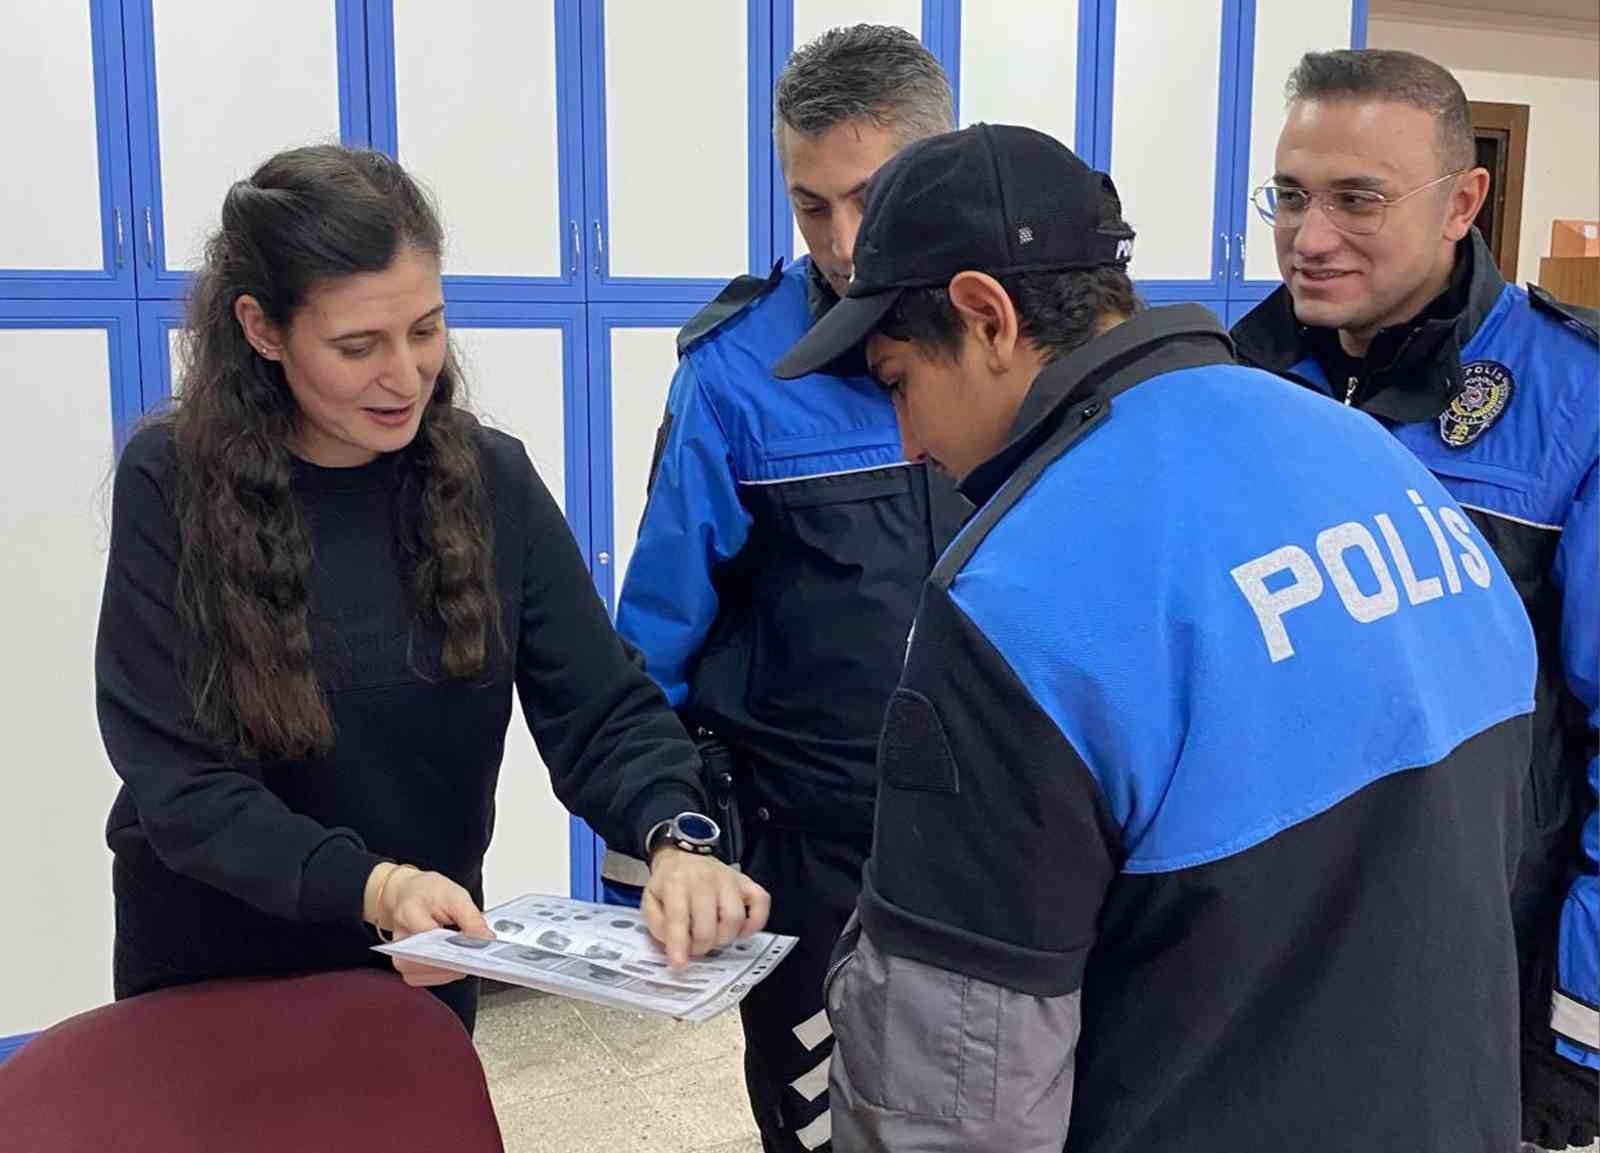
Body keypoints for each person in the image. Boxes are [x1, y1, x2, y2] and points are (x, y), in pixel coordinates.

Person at [775, 122, 1539, 1152]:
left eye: (899, 379)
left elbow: (955, 1100)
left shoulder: (1019, 592)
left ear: (986, 317)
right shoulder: (1369, 459)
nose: (908, 443)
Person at [95, 144, 768, 1036]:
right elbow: (180, 781)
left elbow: (599, 705)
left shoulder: (490, 480)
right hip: (213, 965)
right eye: (356, 346)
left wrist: (677, 838)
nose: (405, 376)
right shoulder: (169, 481)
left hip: (416, 965)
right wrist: (374, 885)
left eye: (425, 329)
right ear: (262, 329)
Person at [602, 24, 965, 1153]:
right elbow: (648, 646)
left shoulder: (1014, 347)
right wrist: (665, 862)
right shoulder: (733, 379)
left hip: (1000, 843)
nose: (845, 241)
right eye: (812, 206)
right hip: (814, 864)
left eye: (871, 195)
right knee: (824, 1133)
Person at [1230, 49, 1598, 1150]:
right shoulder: (1223, 381)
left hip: (1472, 968)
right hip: (1251, 956)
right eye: (1290, 195)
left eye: (1357, 198)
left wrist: (1574, 1030)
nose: (1310, 235)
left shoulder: (1572, 401)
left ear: (1463, 201)